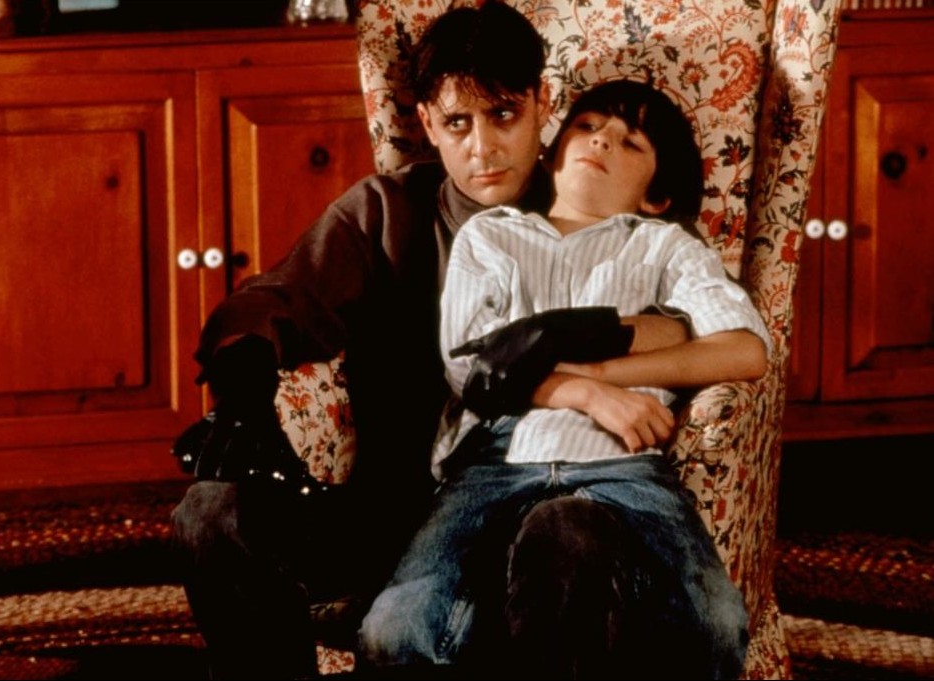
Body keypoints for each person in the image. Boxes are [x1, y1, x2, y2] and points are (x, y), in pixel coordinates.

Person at [169, 3, 691, 679]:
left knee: (564, 536)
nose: (483, 147)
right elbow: (275, 301)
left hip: (537, 524)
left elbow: (687, 314)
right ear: (426, 123)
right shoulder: (387, 212)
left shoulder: (593, 202)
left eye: (503, 114)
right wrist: (243, 396)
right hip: (390, 518)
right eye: (457, 123)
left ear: (542, 103)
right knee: (210, 512)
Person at [357, 79, 772, 680]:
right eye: (588, 126)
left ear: (656, 196)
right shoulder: (491, 235)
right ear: (553, 153)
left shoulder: (664, 245)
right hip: (495, 462)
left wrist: (603, 374)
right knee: (397, 632)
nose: (602, 140)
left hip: (622, 463)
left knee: (711, 626)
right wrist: (585, 392)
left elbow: (743, 349)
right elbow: (470, 365)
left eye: (630, 143)